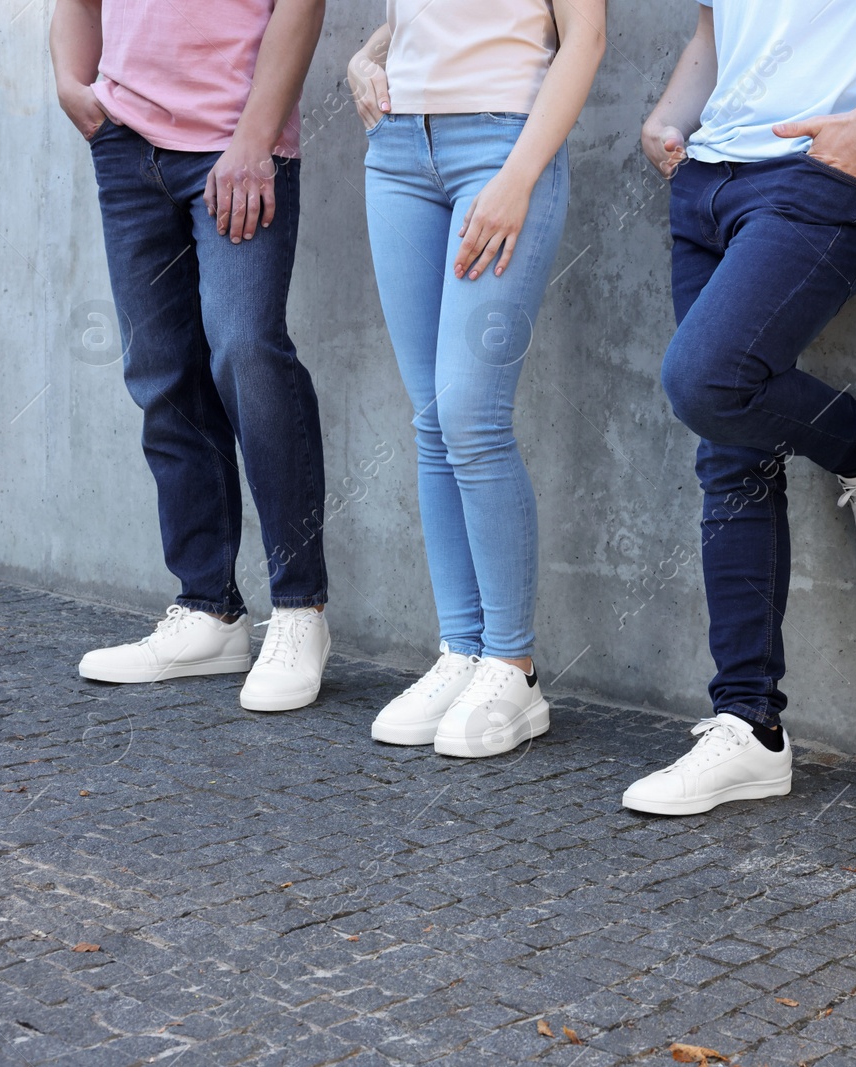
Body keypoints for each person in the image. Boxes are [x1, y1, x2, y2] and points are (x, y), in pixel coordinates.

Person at [621, 0, 856, 816]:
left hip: (823, 170)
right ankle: (749, 724)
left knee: (707, 381)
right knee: (725, 441)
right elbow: (714, 30)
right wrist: (668, 113)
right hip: (707, 175)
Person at [53, 0, 333, 712]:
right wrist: (68, 80)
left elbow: (299, 7)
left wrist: (254, 140)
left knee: (247, 352)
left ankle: (299, 609)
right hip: (125, 144)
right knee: (160, 370)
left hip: (237, 144)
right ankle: (209, 611)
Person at [347, 1, 606, 756]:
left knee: (471, 412)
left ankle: (512, 667)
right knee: (431, 415)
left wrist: (520, 173)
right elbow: (417, 22)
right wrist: (364, 58)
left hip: (502, 144)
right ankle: (461, 649)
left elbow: (583, 37)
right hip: (397, 150)